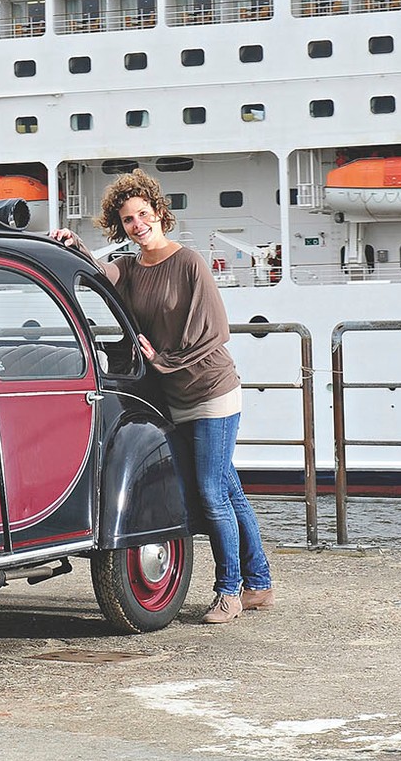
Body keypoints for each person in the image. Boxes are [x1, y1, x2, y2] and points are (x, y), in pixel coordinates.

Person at [48, 172, 273, 625]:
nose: (137, 224)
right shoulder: (130, 269)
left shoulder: (189, 262)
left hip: (211, 389)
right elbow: (100, 274)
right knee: (227, 487)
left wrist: (164, 358)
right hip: (173, 395)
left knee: (210, 491)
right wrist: (74, 246)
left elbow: (215, 332)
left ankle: (229, 591)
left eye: (143, 215)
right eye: (128, 219)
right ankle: (260, 582)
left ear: (159, 214)